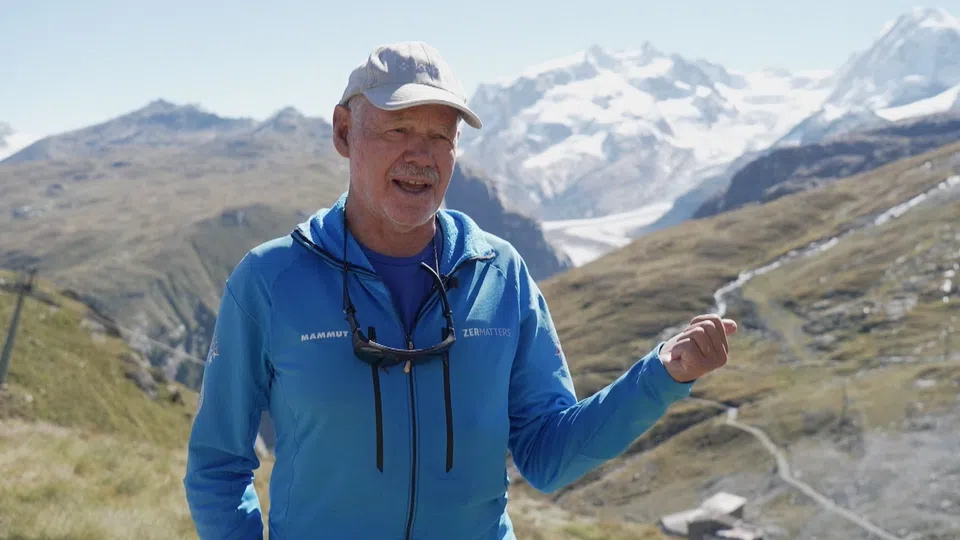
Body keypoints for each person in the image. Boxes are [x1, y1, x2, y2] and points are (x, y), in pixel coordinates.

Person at [183, 41, 738, 539]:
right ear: (344, 133)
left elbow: (548, 456)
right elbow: (217, 462)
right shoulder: (269, 280)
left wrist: (664, 375)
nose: (420, 155)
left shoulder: (501, 273)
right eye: (398, 130)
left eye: (439, 137)